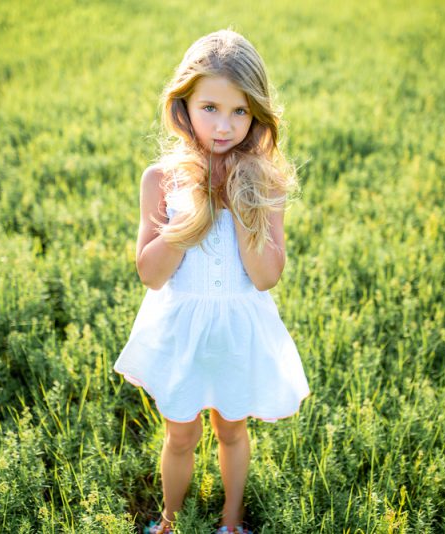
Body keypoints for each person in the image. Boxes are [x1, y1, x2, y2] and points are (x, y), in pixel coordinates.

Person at [114, 29, 310, 534]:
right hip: (182, 328)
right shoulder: (161, 179)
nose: (224, 126)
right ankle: (169, 520)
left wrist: (242, 206)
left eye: (240, 111)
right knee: (180, 436)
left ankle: (231, 520)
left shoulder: (264, 181)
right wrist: (192, 218)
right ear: (183, 106)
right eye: (210, 108)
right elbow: (151, 274)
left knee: (232, 431)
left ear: (257, 114)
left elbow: (265, 276)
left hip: (235, 330)